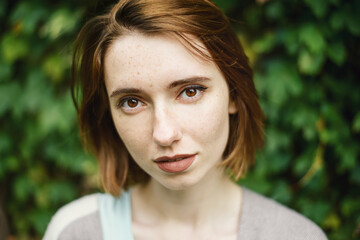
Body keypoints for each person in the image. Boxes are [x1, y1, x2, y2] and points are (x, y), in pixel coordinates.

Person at [44, 0, 328, 239]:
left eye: (190, 91)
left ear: (233, 93)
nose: (164, 134)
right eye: (132, 102)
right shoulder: (77, 231)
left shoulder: (296, 235)